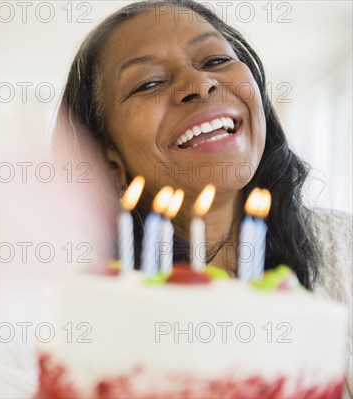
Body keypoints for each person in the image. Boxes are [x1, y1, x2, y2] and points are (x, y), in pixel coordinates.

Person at [53, 0, 352, 396]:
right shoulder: (82, 298)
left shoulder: (344, 249)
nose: (199, 83)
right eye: (148, 83)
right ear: (107, 160)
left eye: (213, 59)